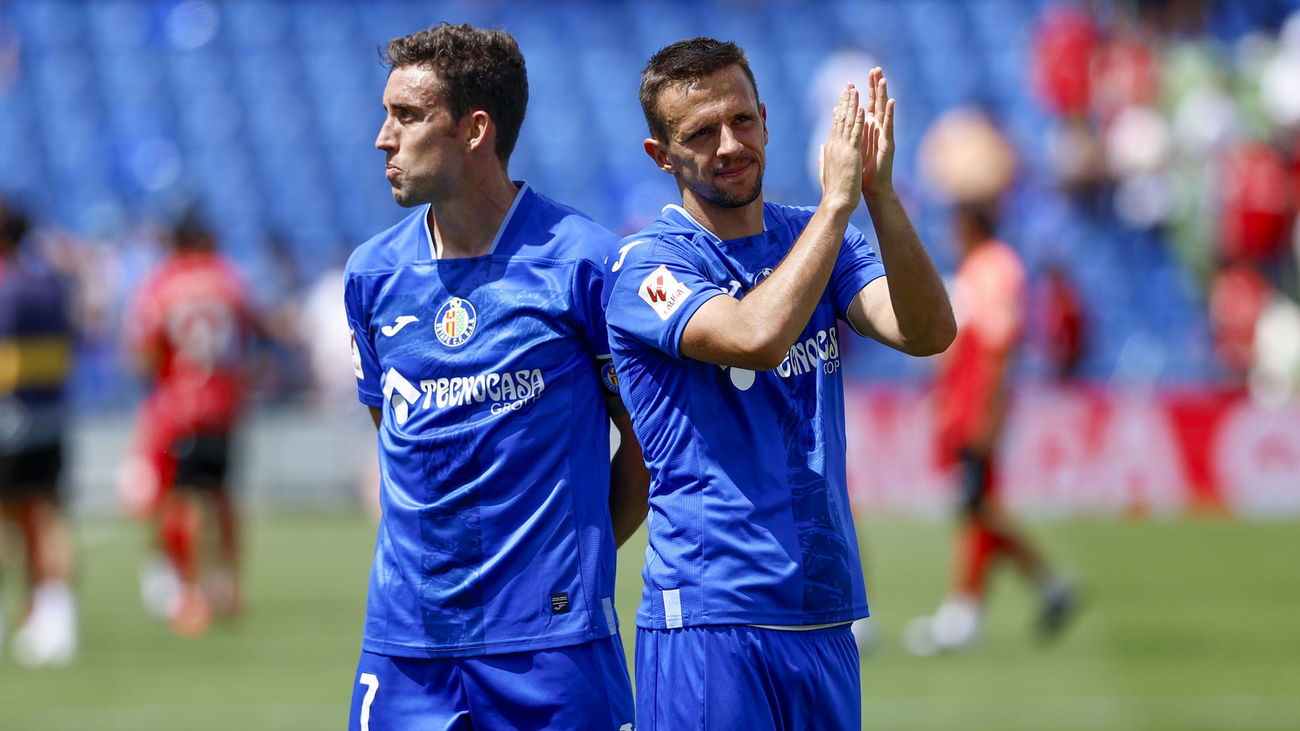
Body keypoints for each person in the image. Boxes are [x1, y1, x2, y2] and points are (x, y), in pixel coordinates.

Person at [604, 38, 955, 729]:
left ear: (766, 118)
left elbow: (927, 331)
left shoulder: (817, 238)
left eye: (741, 120)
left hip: (823, 612)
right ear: (662, 156)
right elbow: (754, 338)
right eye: (701, 133)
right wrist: (836, 207)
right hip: (712, 618)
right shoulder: (648, 265)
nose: (729, 144)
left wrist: (878, 197)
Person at [343, 23, 646, 730]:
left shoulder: (585, 264)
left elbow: (646, 445)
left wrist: (570, 562)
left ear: (475, 130)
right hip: (405, 645)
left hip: (554, 647)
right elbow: (398, 441)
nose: (383, 138)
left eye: (408, 116)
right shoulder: (372, 275)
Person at [903, 203, 1078, 656]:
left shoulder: (995, 269)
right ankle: (1044, 588)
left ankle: (971, 610)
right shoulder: (978, 269)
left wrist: (986, 410)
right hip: (964, 405)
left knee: (977, 504)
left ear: (972, 225)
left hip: (976, 407)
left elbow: (997, 347)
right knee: (977, 505)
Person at [123, 212, 258, 637]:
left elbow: (143, 351)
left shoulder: (162, 284)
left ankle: (191, 594)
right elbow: (250, 336)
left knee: (186, 500)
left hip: (183, 405)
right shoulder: (230, 279)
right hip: (225, 401)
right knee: (222, 497)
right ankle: (229, 586)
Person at [0, 202, 78, 666]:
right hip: (50, 414)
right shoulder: (48, 283)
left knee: (13, 519)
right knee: (46, 514)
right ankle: (52, 615)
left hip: (10, 418)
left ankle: (37, 616)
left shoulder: (8, 286)